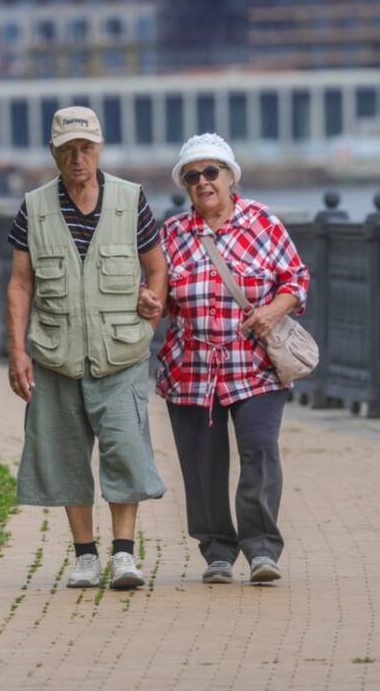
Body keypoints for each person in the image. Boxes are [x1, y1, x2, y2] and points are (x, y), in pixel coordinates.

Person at [6, 105, 168, 591]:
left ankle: (124, 555)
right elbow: (20, 284)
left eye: (87, 148)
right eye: (68, 149)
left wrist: (152, 306)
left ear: (100, 148)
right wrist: (17, 351)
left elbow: (156, 267)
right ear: (53, 152)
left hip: (120, 354)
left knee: (125, 450)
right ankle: (84, 557)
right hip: (56, 356)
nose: (79, 158)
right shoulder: (33, 208)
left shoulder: (131, 200)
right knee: (65, 455)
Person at [138, 133, 309, 585]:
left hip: (255, 366)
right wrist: (148, 301)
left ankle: (262, 548)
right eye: (192, 176)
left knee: (260, 453)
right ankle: (216, 551)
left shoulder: (263, 223)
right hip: (191, 370)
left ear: (231, 176)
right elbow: (157, 294)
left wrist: (273, 311)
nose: (202, 182)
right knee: (202, 466)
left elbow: (296, 279)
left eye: (211, 172)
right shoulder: (171, 233)